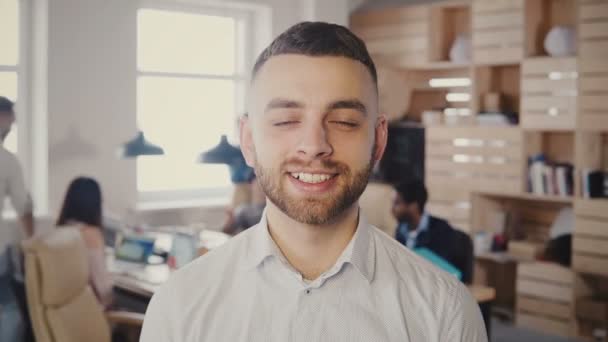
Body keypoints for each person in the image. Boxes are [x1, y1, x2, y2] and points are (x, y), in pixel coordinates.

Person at [141, 22, 487, 341]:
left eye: (345, 121)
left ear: (379, 140)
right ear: (248, 140)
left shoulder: (446, 313)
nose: (315, 145)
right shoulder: (178, 306)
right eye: (286, 120)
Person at [393, 179, 474, 284]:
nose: (392, 209)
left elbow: (441, 271)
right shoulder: (401, 230)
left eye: (397, 203)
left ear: (413, 206)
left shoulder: (442, 232)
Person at [56, 177, 113, 309]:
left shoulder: (61, 230)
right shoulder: (90, 234)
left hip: (67, 311)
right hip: (91, 312)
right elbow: (103, 287)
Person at [0, 96, 34, 243]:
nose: (13, 123)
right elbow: (23, 206)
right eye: (10, 119)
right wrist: (32, 243)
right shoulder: (7, 160)